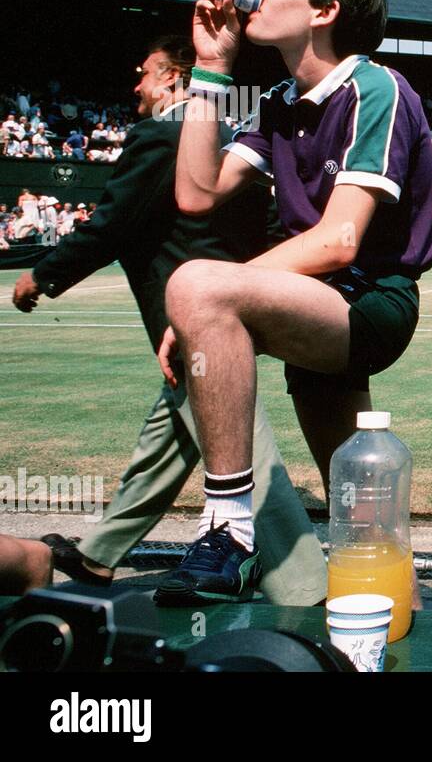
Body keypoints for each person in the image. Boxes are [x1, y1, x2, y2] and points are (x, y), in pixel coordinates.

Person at [156, 0, 432, 606]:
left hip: (370, 300)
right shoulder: (280, 99)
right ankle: (394, 610)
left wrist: (214, 296)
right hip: (312, 303)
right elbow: (196, 190)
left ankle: (229, 533)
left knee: (196, 282)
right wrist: (211, 67)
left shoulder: (377, 88)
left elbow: (340, 238)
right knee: (366, 530)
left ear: (325, 9)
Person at [11, 37, 326, 605]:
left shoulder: (160, 136)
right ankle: (98, 556)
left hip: (191, 326)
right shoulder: (231, 142)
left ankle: (307, 590)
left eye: (146, 74)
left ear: (177, 79)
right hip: (225, 317)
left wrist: (43, 275)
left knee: (241, 457)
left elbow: (108, 227)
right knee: (172, 439)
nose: (137, 87)